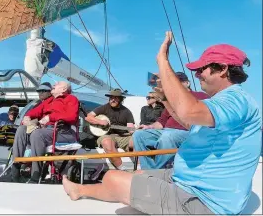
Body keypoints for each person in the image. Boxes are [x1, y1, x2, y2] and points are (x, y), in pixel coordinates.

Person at [62, 32, 261, 216]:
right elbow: (188, 123)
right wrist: (166, 99)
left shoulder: (236, 99)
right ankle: (79, 190)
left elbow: (189, 112)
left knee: (114, 178)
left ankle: (81, 190)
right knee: (135, 174)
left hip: (204, 201)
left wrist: (163, 62)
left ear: (223, 69)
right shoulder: (224, 101)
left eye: (202, 69)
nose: (197, 74)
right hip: (190, 181)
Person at [132, 72, 209, 169]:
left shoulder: (201, 96)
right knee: (139, 135)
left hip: (187, 132)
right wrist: (149, 127)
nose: (173, 86)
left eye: (176, 82)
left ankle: (159, 171)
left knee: (167, 136)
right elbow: (161, 122)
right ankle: (148, 170)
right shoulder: (171, 101)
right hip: (166, 131)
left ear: (187, 83)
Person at [11, 81, 79, 183]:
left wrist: (50, 117)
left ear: (64, 89)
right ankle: (15, 170)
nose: (54, 83)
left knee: (37, 134)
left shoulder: (71, 99)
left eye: (58, 83)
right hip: (46, 131)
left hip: (62, 131)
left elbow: (72, 117)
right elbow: (36, 111)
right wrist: (27, 116)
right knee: (21, 129)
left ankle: (36, 175)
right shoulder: (50, 100)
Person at [85, 89, 135, 170]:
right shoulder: (103, 108)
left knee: (136, 141)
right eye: (111, 97)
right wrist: (100, 122)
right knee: (107, 142)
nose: (113, 100)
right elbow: (88, 117)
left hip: (123, 136)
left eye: (116, 98)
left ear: (121, 99)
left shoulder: (126, 111)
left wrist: (134, 130)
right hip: (107, 136)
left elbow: (131, 128)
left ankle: (140, 169)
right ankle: (123, 169)